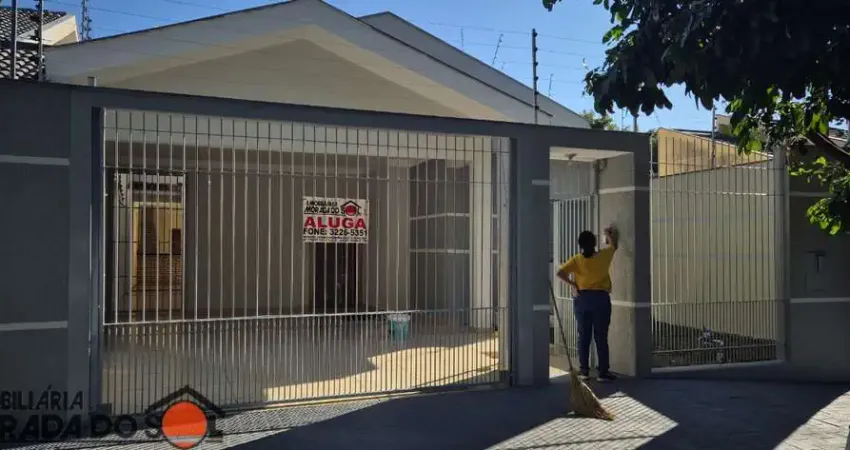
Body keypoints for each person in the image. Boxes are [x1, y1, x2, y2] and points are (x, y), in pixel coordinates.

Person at [556, 226, 618, 383]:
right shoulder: (604, 256)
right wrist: (608, 234)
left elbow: (560, 273)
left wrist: (572, 285)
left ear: (580, 245)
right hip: (601, 299)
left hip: (582, 299)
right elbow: (613, 246)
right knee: (601, 336)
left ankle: (584, 371)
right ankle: (603, 373)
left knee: (584, 335)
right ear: (595, 243)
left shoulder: (577, 260)